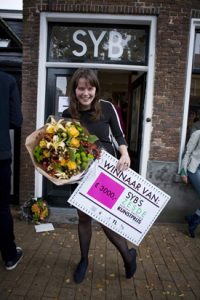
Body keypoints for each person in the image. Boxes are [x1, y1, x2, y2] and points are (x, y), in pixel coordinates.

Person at [62, 68, 137, 284]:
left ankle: (127, 256)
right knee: (84, 218)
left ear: (96, 89)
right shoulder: (68, 115)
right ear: (75, 89)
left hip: (106, 173)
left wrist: (124, 154)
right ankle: (84, 260)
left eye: (90, 88)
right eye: (81, 88)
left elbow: (119, 135)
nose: (85, 93)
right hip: (79, 173)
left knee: (106, 220)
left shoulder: (107, 108)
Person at [0, 71, 23, 270]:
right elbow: (16, 120)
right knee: (1, 208)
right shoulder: (7, 81)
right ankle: (9, 255)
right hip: (0, 154)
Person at [180, 129, 200, 238]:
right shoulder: (197, 134)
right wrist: (183, 172)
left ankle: (193, 219)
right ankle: (193, 221)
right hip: (195, 169)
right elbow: (187, 153)